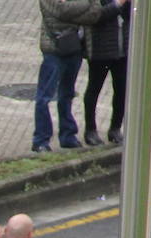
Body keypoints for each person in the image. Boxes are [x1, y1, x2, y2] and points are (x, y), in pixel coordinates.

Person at [35, 0, 107, 152]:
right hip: (53, 50)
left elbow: (94, 14)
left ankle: (68, 135)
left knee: (67, 94)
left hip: (74, 49)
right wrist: (85, 4)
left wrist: (73, 10)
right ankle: (41, 140)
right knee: (44, 97)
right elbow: (62, 10)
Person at [81, 0, 129, 145]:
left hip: (122, 49)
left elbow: (131, 16)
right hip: (100, 50)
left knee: (121, 90)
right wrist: (117, 5)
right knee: (94, 89)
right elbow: (94, 16)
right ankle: (90, 130)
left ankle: (115, 128)